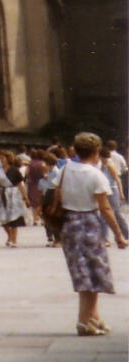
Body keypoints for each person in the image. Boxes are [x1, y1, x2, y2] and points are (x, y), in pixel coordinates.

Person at [57, 132, 129, 336]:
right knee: (94, 271)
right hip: (88, 222)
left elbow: (56, 193)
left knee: (82, 271)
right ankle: (83, 321)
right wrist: (118, 235)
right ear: (97, 151)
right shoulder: (95, 175)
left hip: (69, 223)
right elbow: (106, 209)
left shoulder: (65, 169)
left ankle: (94, 318)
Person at [0, 151, 26, 248]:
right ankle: (9, 235)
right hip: (2, 194)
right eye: (0, 158)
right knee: (2, 218)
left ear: (8, 159)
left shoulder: (15, 171)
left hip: (13, 194)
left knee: (14, 218)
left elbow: (20, 185)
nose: (1, 160)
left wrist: (25, 197)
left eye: (3, 158)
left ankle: (13, 239)